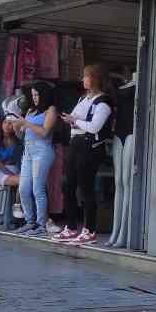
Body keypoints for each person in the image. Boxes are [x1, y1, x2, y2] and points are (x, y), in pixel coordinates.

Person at [53, 64, 114, 246]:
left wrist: (75, 121)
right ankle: (71, 227)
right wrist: (72, 121)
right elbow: (75, 118)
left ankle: (90, 230)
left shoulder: (103, 102)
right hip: (76, 144)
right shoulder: (84, 98)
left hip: (90, 148)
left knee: (86, 188)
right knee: (67, 185)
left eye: (86, 76)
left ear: (95, 79)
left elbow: (95, 127)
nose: (83, 79)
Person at [11, 83, 57, 236]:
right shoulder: (31, 110)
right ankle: (29, 222)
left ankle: (41, 224)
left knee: (38, 189)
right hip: (28, 151)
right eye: (33, 95)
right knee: (23, 188)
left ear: (44, 94)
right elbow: (21, 135)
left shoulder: (50, 110)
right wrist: (16, 126)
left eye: (37, 94)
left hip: (42, 150)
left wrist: (27, 123)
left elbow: (44, 132)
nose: (35, 98)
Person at [0, 117, 22, 230]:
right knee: (22, 180)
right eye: (5, 122)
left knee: (27, 181)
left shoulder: (17, 140)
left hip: (16, 169)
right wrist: (10, 173)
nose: (7, 125)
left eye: (10, 123)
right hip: (3, 171)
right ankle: (17, 206)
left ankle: (19, 217)